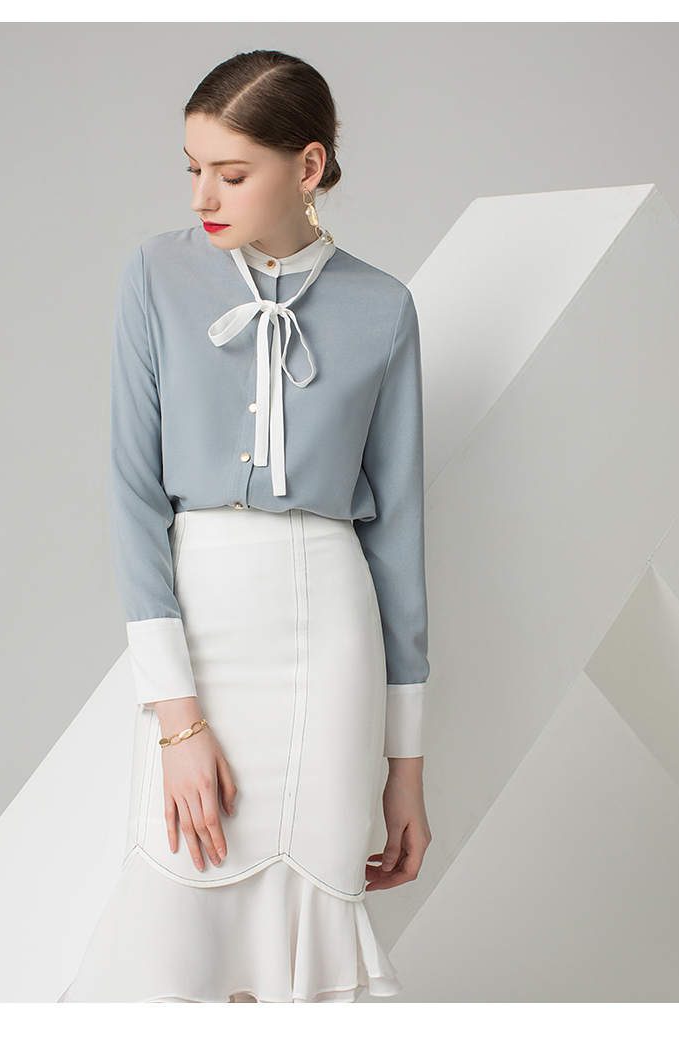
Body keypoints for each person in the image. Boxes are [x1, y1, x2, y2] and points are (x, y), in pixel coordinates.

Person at [58, 48, 431, 1004]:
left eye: (230, 173)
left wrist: (406, 768)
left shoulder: (384, 306)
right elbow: (134, 495)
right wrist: (177, 720)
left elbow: (398, 538)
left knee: (313, 918)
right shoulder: (156, 275)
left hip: (330, 634)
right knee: (177, 911)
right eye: (192, 169)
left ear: (308, 166)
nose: (201, 197)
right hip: (205, 619)